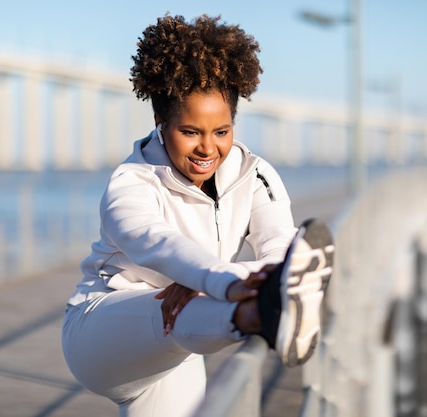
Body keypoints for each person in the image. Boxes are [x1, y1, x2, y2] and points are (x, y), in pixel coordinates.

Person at [61, 14, 334, 417]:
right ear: (160, 122)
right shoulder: (132, 181)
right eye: (191, 132)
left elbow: (281, 247)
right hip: (103, 330)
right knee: (177, 308)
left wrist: (212, 281)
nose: (208, 148)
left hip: (184, 337)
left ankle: (259, 308)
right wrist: (213, 278)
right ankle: (260, 315)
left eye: (221, 131)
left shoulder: (255, 175)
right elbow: (155, 241)